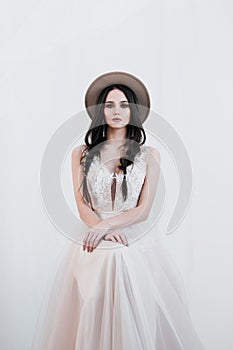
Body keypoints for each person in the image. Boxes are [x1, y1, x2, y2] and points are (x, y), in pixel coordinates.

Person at [32, 71, 205, 349]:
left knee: (121, 259)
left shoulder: (151, 155)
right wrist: (100, 228)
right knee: (107, 262)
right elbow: (82, 205)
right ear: (101, 111)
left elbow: (143, 210)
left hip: (132, 235)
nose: (117, 111)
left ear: (132, 112)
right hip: (92, 231)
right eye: (110, 105)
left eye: (124, 105)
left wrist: (109, 227)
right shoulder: (81, 153)